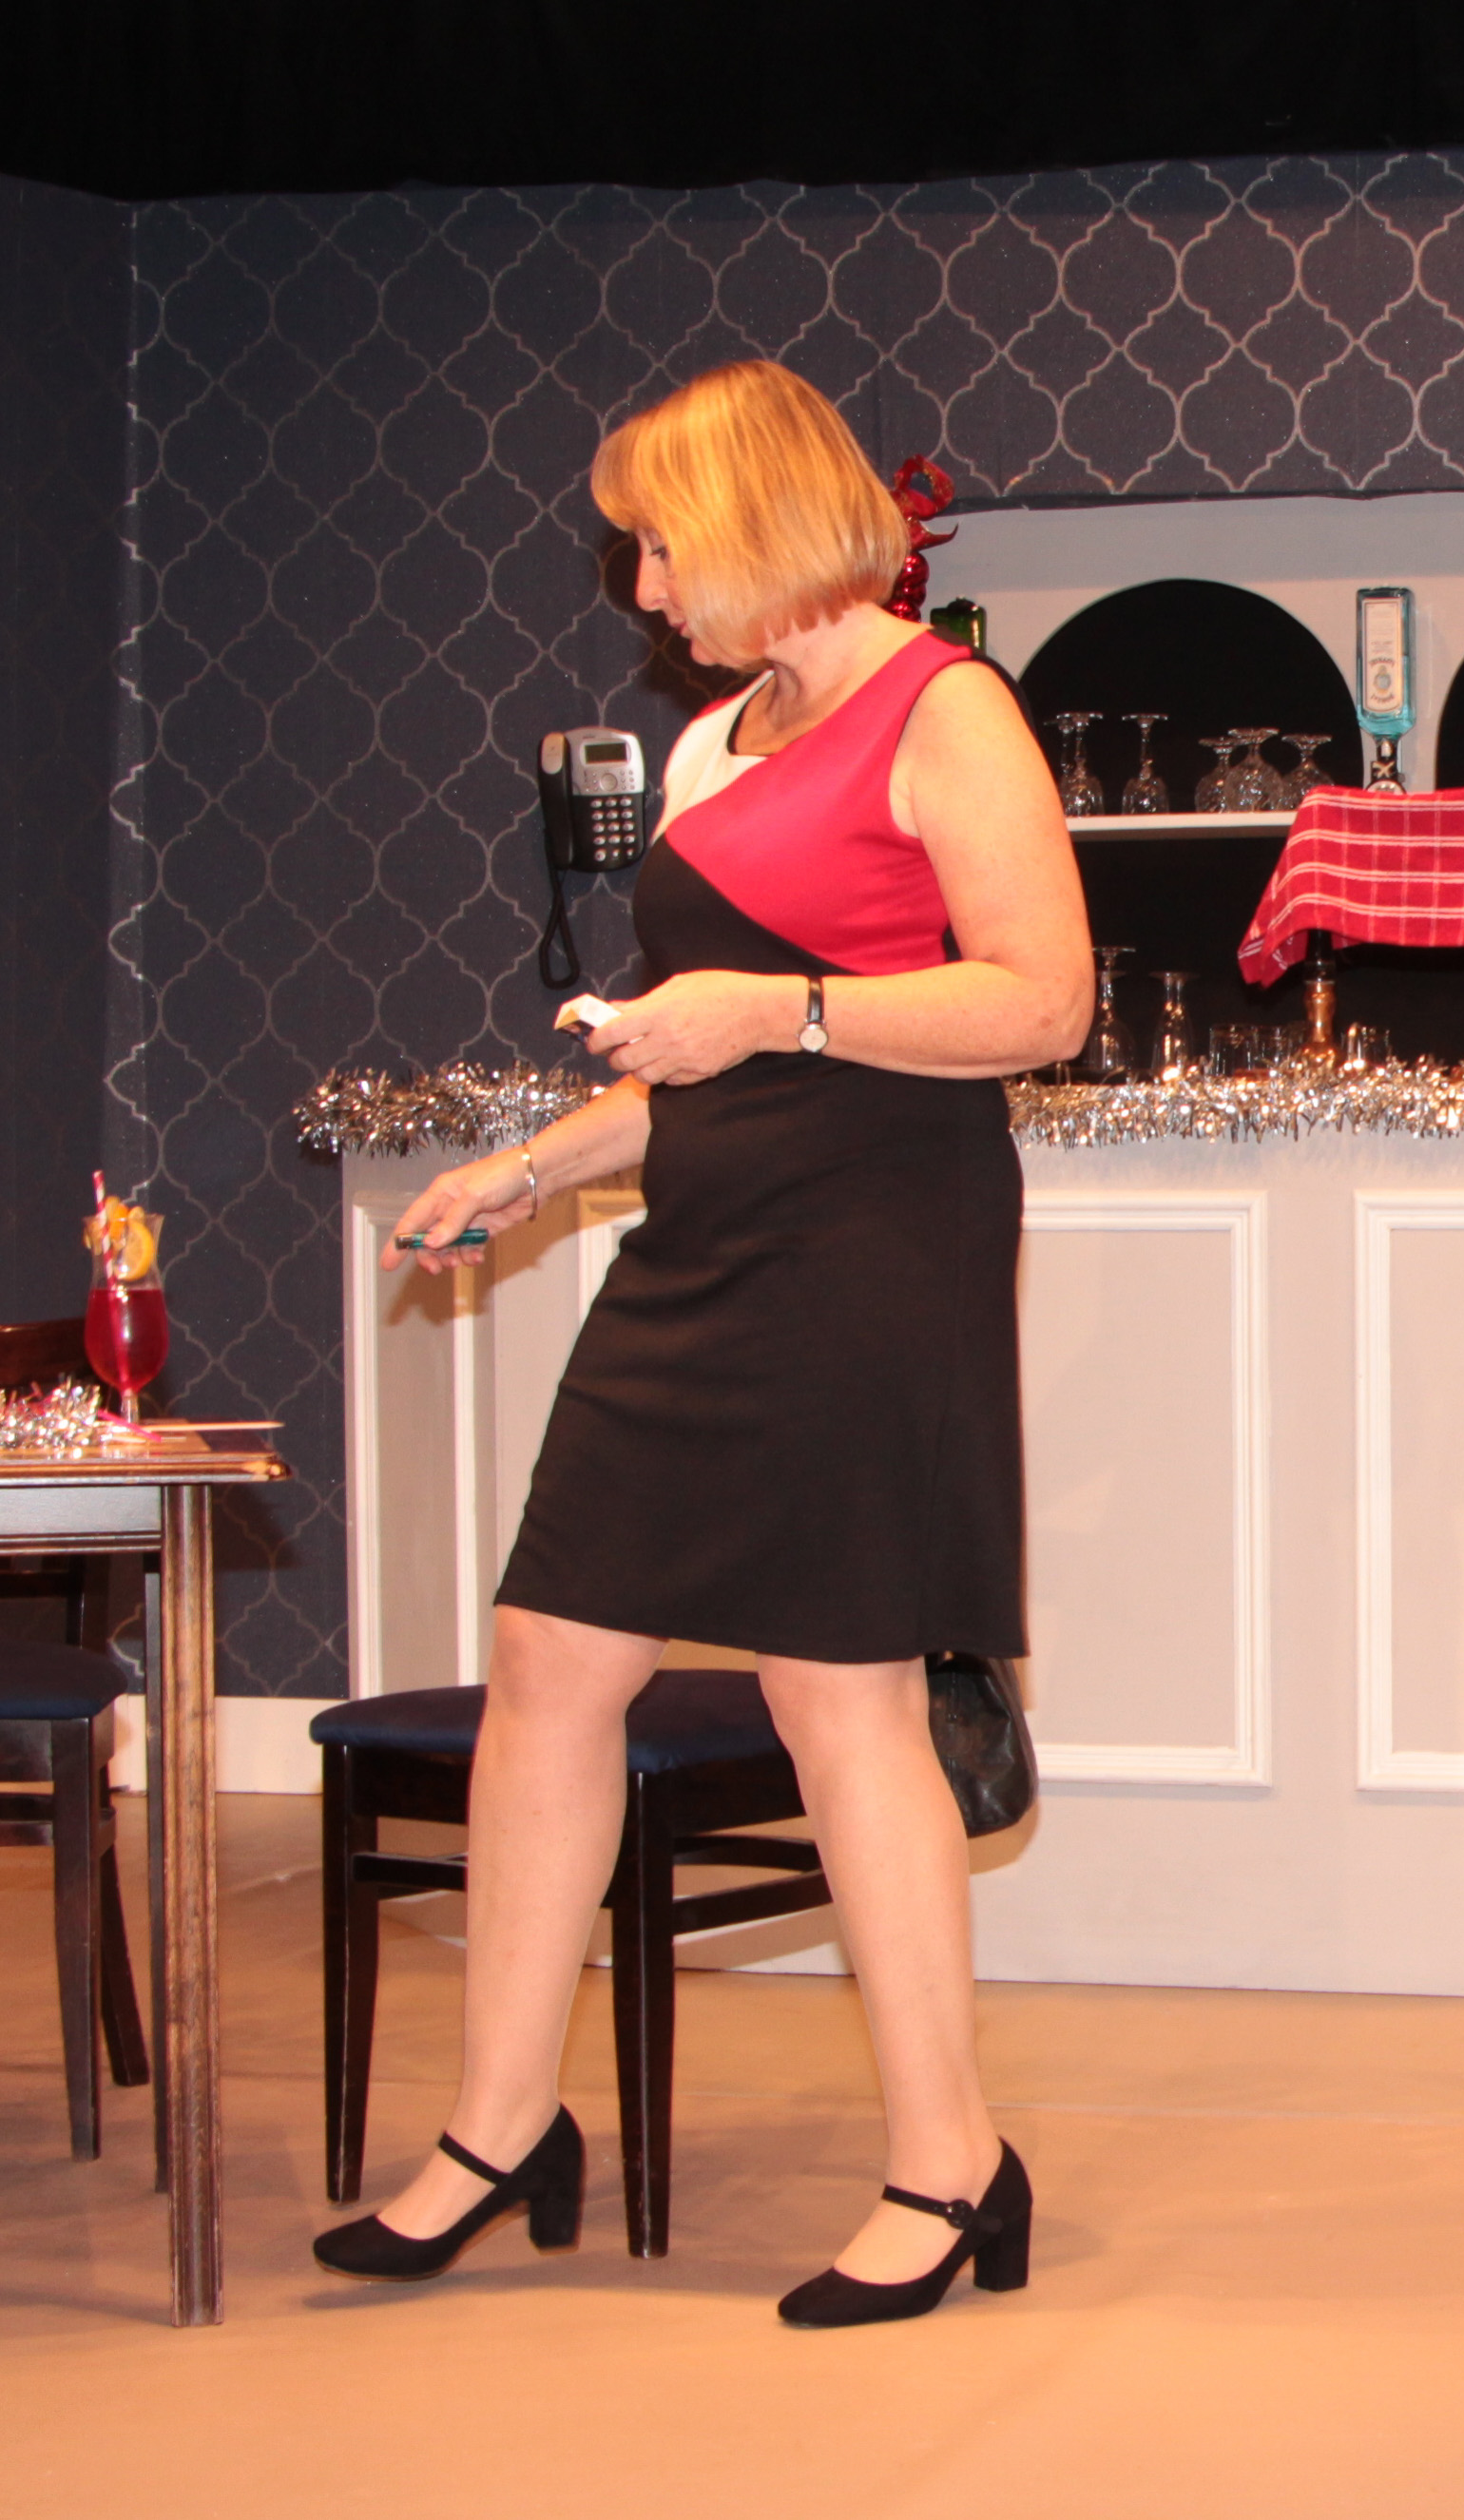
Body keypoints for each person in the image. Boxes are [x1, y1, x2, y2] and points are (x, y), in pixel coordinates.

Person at [321, 360, 1090, 2327]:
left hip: (879, 1243)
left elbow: (1041, 1006)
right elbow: (690, 1061)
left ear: (754, 522)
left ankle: (950, 2164)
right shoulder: (709, 749)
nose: (646, 588)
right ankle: (502, 2126)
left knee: (842, 1694)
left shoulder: (948, 707)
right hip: (706, 1237)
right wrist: (532, 1166)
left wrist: (786, 1010)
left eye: (660, 546)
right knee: (547, 1656)